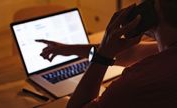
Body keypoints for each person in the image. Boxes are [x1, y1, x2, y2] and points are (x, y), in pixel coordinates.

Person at [36, 0, 177, 107]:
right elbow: (133, 53)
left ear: (154, 11)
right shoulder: (168, 54)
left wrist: (103, 56)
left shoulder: (133, 84)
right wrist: (69, 49)